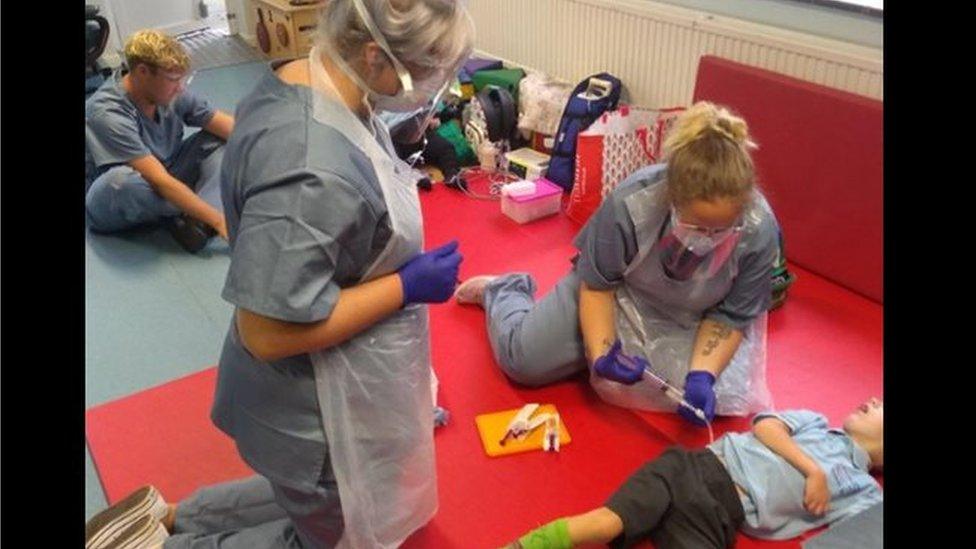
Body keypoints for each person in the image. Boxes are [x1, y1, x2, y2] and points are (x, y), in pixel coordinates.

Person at [85, 1, 474, 548]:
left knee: (322, 493)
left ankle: (172, 514)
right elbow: (267, 333)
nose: (433, 83)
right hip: (307, 404)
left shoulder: (305, 80)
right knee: (324, 528)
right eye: (429, 68)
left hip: (321, 383)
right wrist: (405, 287)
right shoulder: (310, 166)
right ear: (373, 55)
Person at [455, 102, 781, 425]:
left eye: (721, 230)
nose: (707, 239)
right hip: (617, 291)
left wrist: (702, 376)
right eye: (696, 226)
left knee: (728, 397)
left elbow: (732, 315)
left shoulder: (759, 228)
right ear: (672, 199)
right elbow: (598, 285)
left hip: (692, 313)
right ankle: (504, 290)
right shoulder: (634, 202)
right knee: (524, 362)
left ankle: (584, 354)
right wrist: (602, 352)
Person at [501, 398, 884, 549]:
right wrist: (812, 469)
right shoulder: (816, 423)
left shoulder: (865, 493)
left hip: (721, 516)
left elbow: (861, 537)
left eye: (883, 405)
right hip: (691, 469)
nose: (873, 400)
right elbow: (766, 427)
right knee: (606, 523)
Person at [85, 29, 235, 253]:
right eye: (173, 79)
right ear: (143, 72)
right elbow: (157, 180)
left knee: (219, 139)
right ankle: (197, 213)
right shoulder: (106, 111)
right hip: (121, 195)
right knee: (120, 182)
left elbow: (227, 125)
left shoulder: (168, 92)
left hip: (167, 172)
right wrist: (220, 221)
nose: (180, 87)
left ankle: (193, 217)